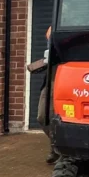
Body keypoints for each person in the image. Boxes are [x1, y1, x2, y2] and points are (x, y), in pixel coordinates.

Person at [27, 26, 59, 163]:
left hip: (68, 80)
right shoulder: (54, 28)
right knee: (42, 116)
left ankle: (62, 151)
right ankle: (56, 147)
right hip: (50, 81)